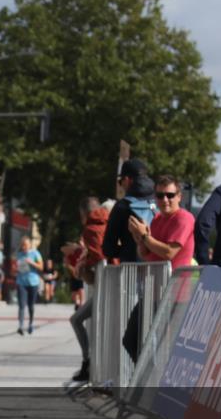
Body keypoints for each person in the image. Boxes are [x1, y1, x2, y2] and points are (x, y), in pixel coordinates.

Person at [126, 175, 195, 362]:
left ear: (179, 196)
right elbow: (146, 254)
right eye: (160, 195)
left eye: (170, 195)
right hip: (154, 292)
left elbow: (169, 252)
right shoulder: (157, 219)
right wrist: (138, 237)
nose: (165, 199)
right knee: (132, 340)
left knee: (167, 348)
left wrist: (145, 237)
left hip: (175, 295)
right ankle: (147, 377)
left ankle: (153, 378)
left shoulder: (184, 218)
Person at [67, 196, 110, 382]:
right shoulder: (110, 221)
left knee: (77, 319)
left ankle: (88, 363)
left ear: (83, 213)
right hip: (114, 283)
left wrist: (82, 261)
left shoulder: (91, 229)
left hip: (107, 286)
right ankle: (91, 364)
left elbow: (100, 256)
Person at [103, 159, 157, 264]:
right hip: (160, 266)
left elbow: (108, 248)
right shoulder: (162, 201)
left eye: (120, 181)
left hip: (132, 268)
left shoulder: (122, 206)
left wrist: (127, 250)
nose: (121, 186)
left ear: (127, 180)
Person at [15, 237, 42, 335]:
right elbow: (17, 267)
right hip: (21, 282)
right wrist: (16, 268)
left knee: (31, 305)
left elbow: (41, 267)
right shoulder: (19, 254)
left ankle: (30, 323)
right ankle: (21, 326)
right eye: (23, 245)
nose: (24, 247)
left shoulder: (35, 253)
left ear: (30, 245)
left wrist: (32, 263)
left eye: (26, 245)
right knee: (21, 305)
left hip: (33, 283)